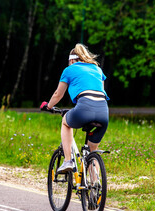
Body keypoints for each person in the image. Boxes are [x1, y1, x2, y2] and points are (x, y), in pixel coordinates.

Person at [41, 43, 109, 173]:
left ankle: (68, 161)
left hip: (84, 109)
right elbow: (100, 92)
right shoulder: (97, 70)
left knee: (66, 123)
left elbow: (58, 94)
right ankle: (95, 188)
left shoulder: (69, 70)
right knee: (91, 153)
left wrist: (49, 106)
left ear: (71, 60)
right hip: (103, 112)